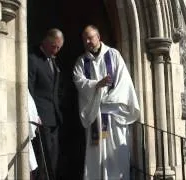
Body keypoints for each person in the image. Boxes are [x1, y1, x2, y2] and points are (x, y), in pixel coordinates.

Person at [72, 25, 140, 180]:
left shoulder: (113, 55)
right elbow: (78, 81)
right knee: (96, 155)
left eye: (90, 37)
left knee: (116, 153)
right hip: (95, 114)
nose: (88, 41)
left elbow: (124, 81)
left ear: (98, 36)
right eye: (85, 39)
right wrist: (97, 84)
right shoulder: (82, 62)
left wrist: (109, 100)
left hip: (114, 114)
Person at [28, 28, 64, 180]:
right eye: (54, 46)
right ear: (46, 41)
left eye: (59, 48)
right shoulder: (33, 59)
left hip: (54, 118)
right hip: (41, 119)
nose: (56, 51)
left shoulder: (52, 61)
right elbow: (29, 89)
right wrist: (34, 114)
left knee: (53, 160)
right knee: (43, 160)